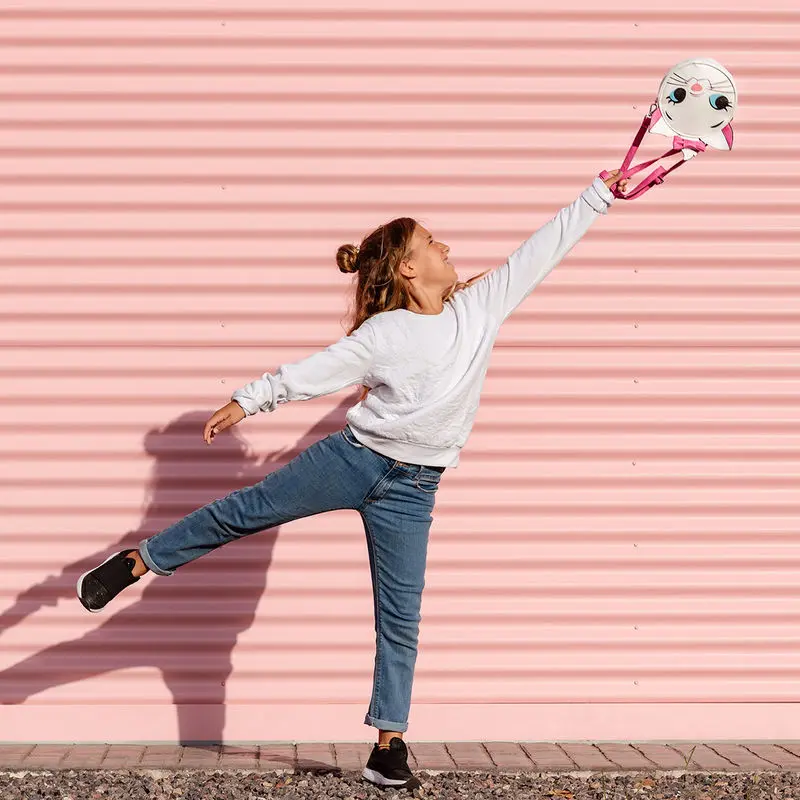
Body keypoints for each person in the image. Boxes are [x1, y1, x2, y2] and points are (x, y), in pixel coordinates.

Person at [77, 169, 628, 790]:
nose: (446, 249)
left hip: (412, 490)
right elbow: (315, 370)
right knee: (242, 512)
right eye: (431, 244)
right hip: (352, 459)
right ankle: (138, 561)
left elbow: (543, 248)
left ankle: (388, 746)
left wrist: (599, 195)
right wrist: (248, 400)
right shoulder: (381, 334)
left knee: (400, 614)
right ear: (408, 271)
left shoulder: (480, 306)